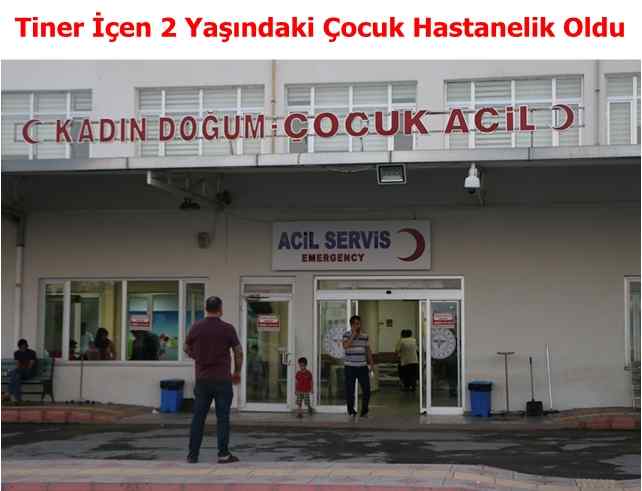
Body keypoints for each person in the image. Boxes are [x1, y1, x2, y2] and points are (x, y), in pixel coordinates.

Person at [184, 296, 243, 464]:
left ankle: (192, 455)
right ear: (220, 308)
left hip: (202, 380)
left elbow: (186, 347)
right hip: (222, 380)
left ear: (206, 308)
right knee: (222, 418)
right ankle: (223, 454)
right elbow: (238, 352)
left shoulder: (196, 327)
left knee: (198, 418)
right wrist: (237, 372)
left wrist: (197, 356)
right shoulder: (227, 329)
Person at [342, 315, 374, 418]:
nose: (358, 326)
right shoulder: (346, 335)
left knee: (367, 390)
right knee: (350, 390)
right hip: (350, 367)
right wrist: (353, 335)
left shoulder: (365, 336)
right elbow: (345, 346)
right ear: (351, 325)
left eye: (359, 324)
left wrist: (371, 364)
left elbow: (368, 350)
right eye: (356, 324)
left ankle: (364, 411)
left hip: (362, 367)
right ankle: (351, 411)